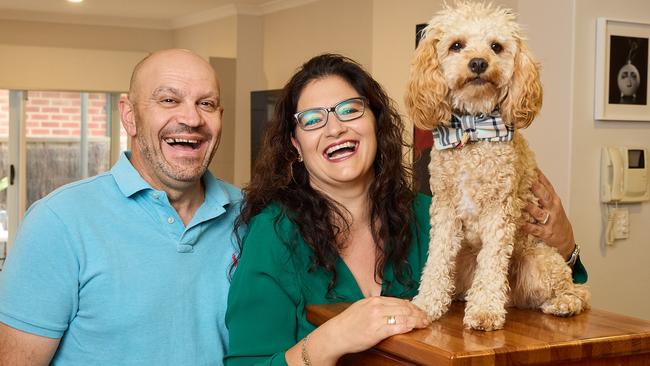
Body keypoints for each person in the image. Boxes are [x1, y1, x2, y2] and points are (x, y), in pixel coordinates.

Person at [225, 54, 586, 366]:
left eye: (350, 110)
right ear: (295, 145)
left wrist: (567, 249)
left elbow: (534, 301)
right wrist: (331, 340)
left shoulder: (432, 217)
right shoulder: (273, 235)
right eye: (313, 119)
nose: (335, 128)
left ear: (376, 124)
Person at [0, 49, 241, 365]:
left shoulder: (251, 215)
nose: (192, 119)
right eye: (169, 100)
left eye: (205, 104)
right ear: (129, 116)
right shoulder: (59, 221)